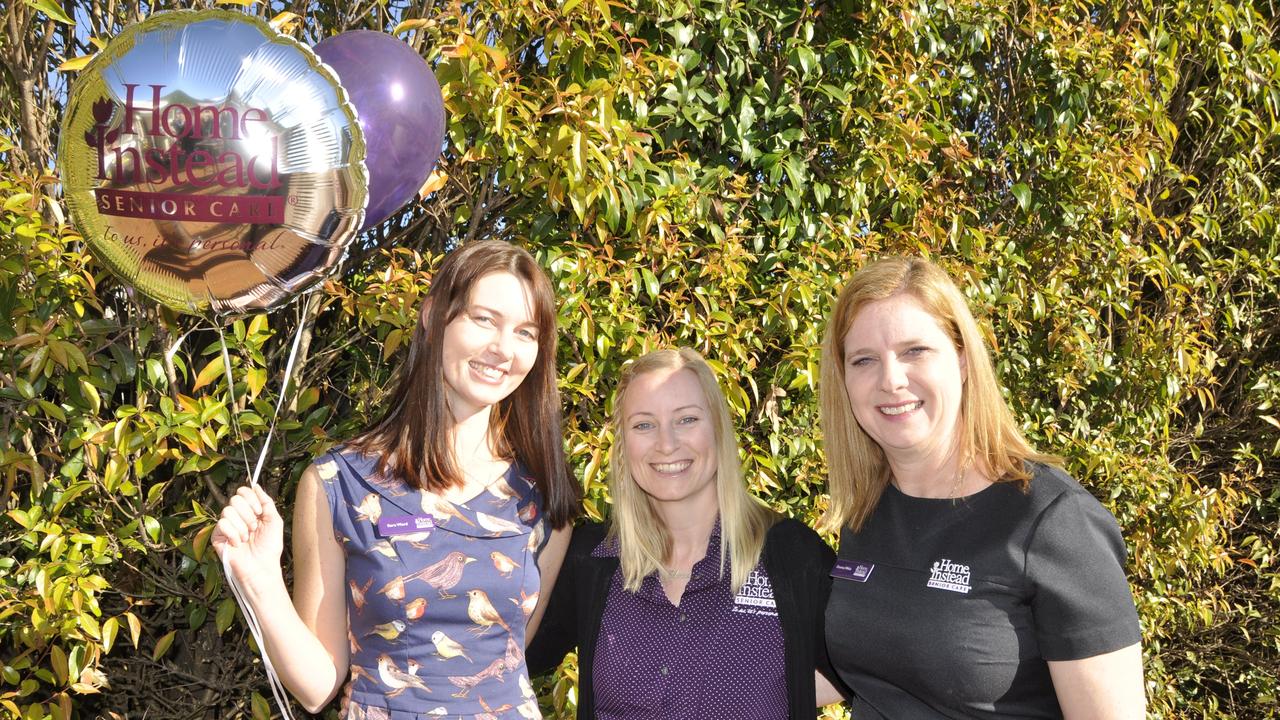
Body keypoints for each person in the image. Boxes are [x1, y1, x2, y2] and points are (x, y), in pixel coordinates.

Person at [213, 239, 579, 719]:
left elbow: (509, 662)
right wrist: (258, 577)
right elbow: (317, 685)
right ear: (432, 316)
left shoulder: (544, 497)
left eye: (526, 332)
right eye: (484, 319)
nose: (502, 349)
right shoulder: (339, 484)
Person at [818, 256, 1146, 718]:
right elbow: (870, 663)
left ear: (963, 360)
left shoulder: (1051, 521)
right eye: (864, 360)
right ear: (845, 379)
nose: (890, 380)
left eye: (915, 351)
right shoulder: (869, 510)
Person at [528, 347, 842, 719]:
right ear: (623, 445)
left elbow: (869, 675)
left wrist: (770, 695)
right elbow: (507, 658)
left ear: (718, 428)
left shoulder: (791, 556)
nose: (666, 443)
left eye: (687, 419)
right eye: (643, 424)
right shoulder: (593, 559)